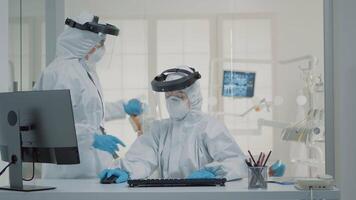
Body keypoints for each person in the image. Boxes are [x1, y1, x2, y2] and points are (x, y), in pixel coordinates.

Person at [34, 12, 143, 179]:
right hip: (69, 172)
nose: (101, 49)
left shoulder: (82, 69)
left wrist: (123, 108)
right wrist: (90, 138)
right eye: (100, 43)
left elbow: (89, 111)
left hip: (90, 167)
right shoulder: (61, 72)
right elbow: (52, 124)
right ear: (83, 41)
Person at [99, 66, 247, 183]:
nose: (172, 101)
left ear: (193, 97)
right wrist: (127, 170)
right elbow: (142, 159)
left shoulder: (210, 127)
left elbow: (236, 161)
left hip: (204, 195)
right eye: (168, 96)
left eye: (179, 96)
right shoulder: (159, 129)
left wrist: (214, 172)